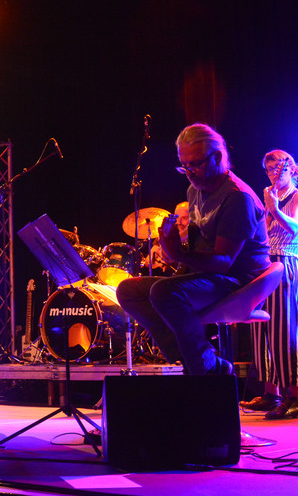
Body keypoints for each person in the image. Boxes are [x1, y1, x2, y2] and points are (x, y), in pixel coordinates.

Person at [115, 123, 270, 375]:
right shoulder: (194, 190)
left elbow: (224, 262)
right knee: (128, 290)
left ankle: (204, 365)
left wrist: (180, 253)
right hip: (211, 274)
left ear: (216, 157)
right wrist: (172, 248)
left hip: (240, 281)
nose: (189, 172)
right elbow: (201, 243)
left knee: (164, 292)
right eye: (183, 166)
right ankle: (196, 360)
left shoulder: (236, 197)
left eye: (195, 164)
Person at [240, 150, 298, 419]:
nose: (273, 174)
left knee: (286, 332)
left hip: (286, 263)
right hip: (263, 266)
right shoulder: (269, 197)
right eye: (269, 169)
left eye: (278, 168)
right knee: (262, 331)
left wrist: (273, 208)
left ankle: (295, 398)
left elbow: (294, 227)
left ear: (291, 169)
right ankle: (272, 394)